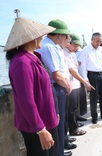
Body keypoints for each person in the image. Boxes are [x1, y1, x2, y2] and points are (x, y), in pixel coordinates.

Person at [5, 17, 58, 156]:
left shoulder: (33, 57)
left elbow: (46, 90)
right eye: (39, 35)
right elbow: (26, 100)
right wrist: (40, 130)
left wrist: (53, 112)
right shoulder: (22, 63)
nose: (42, 37)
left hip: (46, 119)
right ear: (31, 38)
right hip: (36, 126)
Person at [36, 19, 73, 156]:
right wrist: (67, 85)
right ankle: (59, 153)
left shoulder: (48, 45)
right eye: (65, 36)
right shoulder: (49, 48)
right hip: (56, 88)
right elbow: (56, 75)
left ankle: (60, 151)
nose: (66, 39)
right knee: (58, 124)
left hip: (55, 86)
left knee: (58, 124)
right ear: (59, 35)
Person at [63, 33, 94, 136]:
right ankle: (73, 129)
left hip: (76, 84)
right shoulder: (64, 53)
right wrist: (85, 82)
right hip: (70, 85)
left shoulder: (72, 53)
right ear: (69, 43)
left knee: (75, 106)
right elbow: (72, 71)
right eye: (75, 45)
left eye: (77, 46)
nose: (76, 48)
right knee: (71, 108)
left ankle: (74, 124)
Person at [78, 32, 102, 124]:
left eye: (100, 41)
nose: (99, 43)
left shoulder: (100, 49)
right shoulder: (85, 50)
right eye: (97, 41)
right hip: (92, 75)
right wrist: (86, 80)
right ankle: (94, 116)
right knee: (93, 97)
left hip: (101, 74)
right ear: (91, 40)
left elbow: (101, 63)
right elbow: (83, 66)